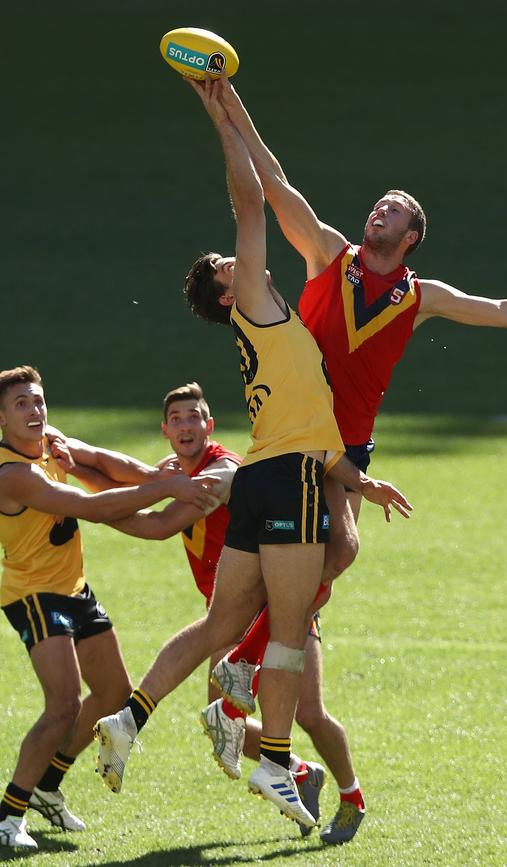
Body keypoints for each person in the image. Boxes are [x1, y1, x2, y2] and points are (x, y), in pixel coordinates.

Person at [184, 72, 507, 844]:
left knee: (339, 551)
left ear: (410, 237)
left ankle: (247, 677)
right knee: (330, 558)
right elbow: (274, 179)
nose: (378, 211)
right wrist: (229, 105)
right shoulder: (327, 254)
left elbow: (503, 314)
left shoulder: (416, 294)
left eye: (392, 211)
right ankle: (245, 681)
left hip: (346, 446)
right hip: (296, 433)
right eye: (377, 203)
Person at [93, 76, 411, 834]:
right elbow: (252, 201)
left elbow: (315, 426)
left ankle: (130, 717)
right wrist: (223, 124)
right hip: (290, 481)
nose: (240, 260)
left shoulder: (274, 327)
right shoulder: (262, 307)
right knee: (294, 625)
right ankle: (273, 756)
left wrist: (363, 481)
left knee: (219, 622)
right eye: (229, 263)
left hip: (265, 473)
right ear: (228, 288)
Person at [67, 381, 344, 834]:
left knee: (310, 713)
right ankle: (298, 771)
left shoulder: (221, 472)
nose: (186, 425)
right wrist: (73, 469)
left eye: (193, 416)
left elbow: (156, 523)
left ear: (209, 425)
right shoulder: (177, 472)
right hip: (232, 614)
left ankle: (350, 794)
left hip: (275, 606)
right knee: (221, 724)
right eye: (177, 419)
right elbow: (120, 479)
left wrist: (84, 507)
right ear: (166, 431)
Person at [0, 365, 221, 852]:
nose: (35, 410)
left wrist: (159, 475)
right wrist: (166, 489)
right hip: (33, 595)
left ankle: (46, 786)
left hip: (73, 588)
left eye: (38, 401)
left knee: (114, 693)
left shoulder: (49, 440)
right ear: (2, 419)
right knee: (61, 706)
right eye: (21, 405)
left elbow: (101, 460)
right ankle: (9, 813)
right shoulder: (13, 474)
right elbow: (89, 506)